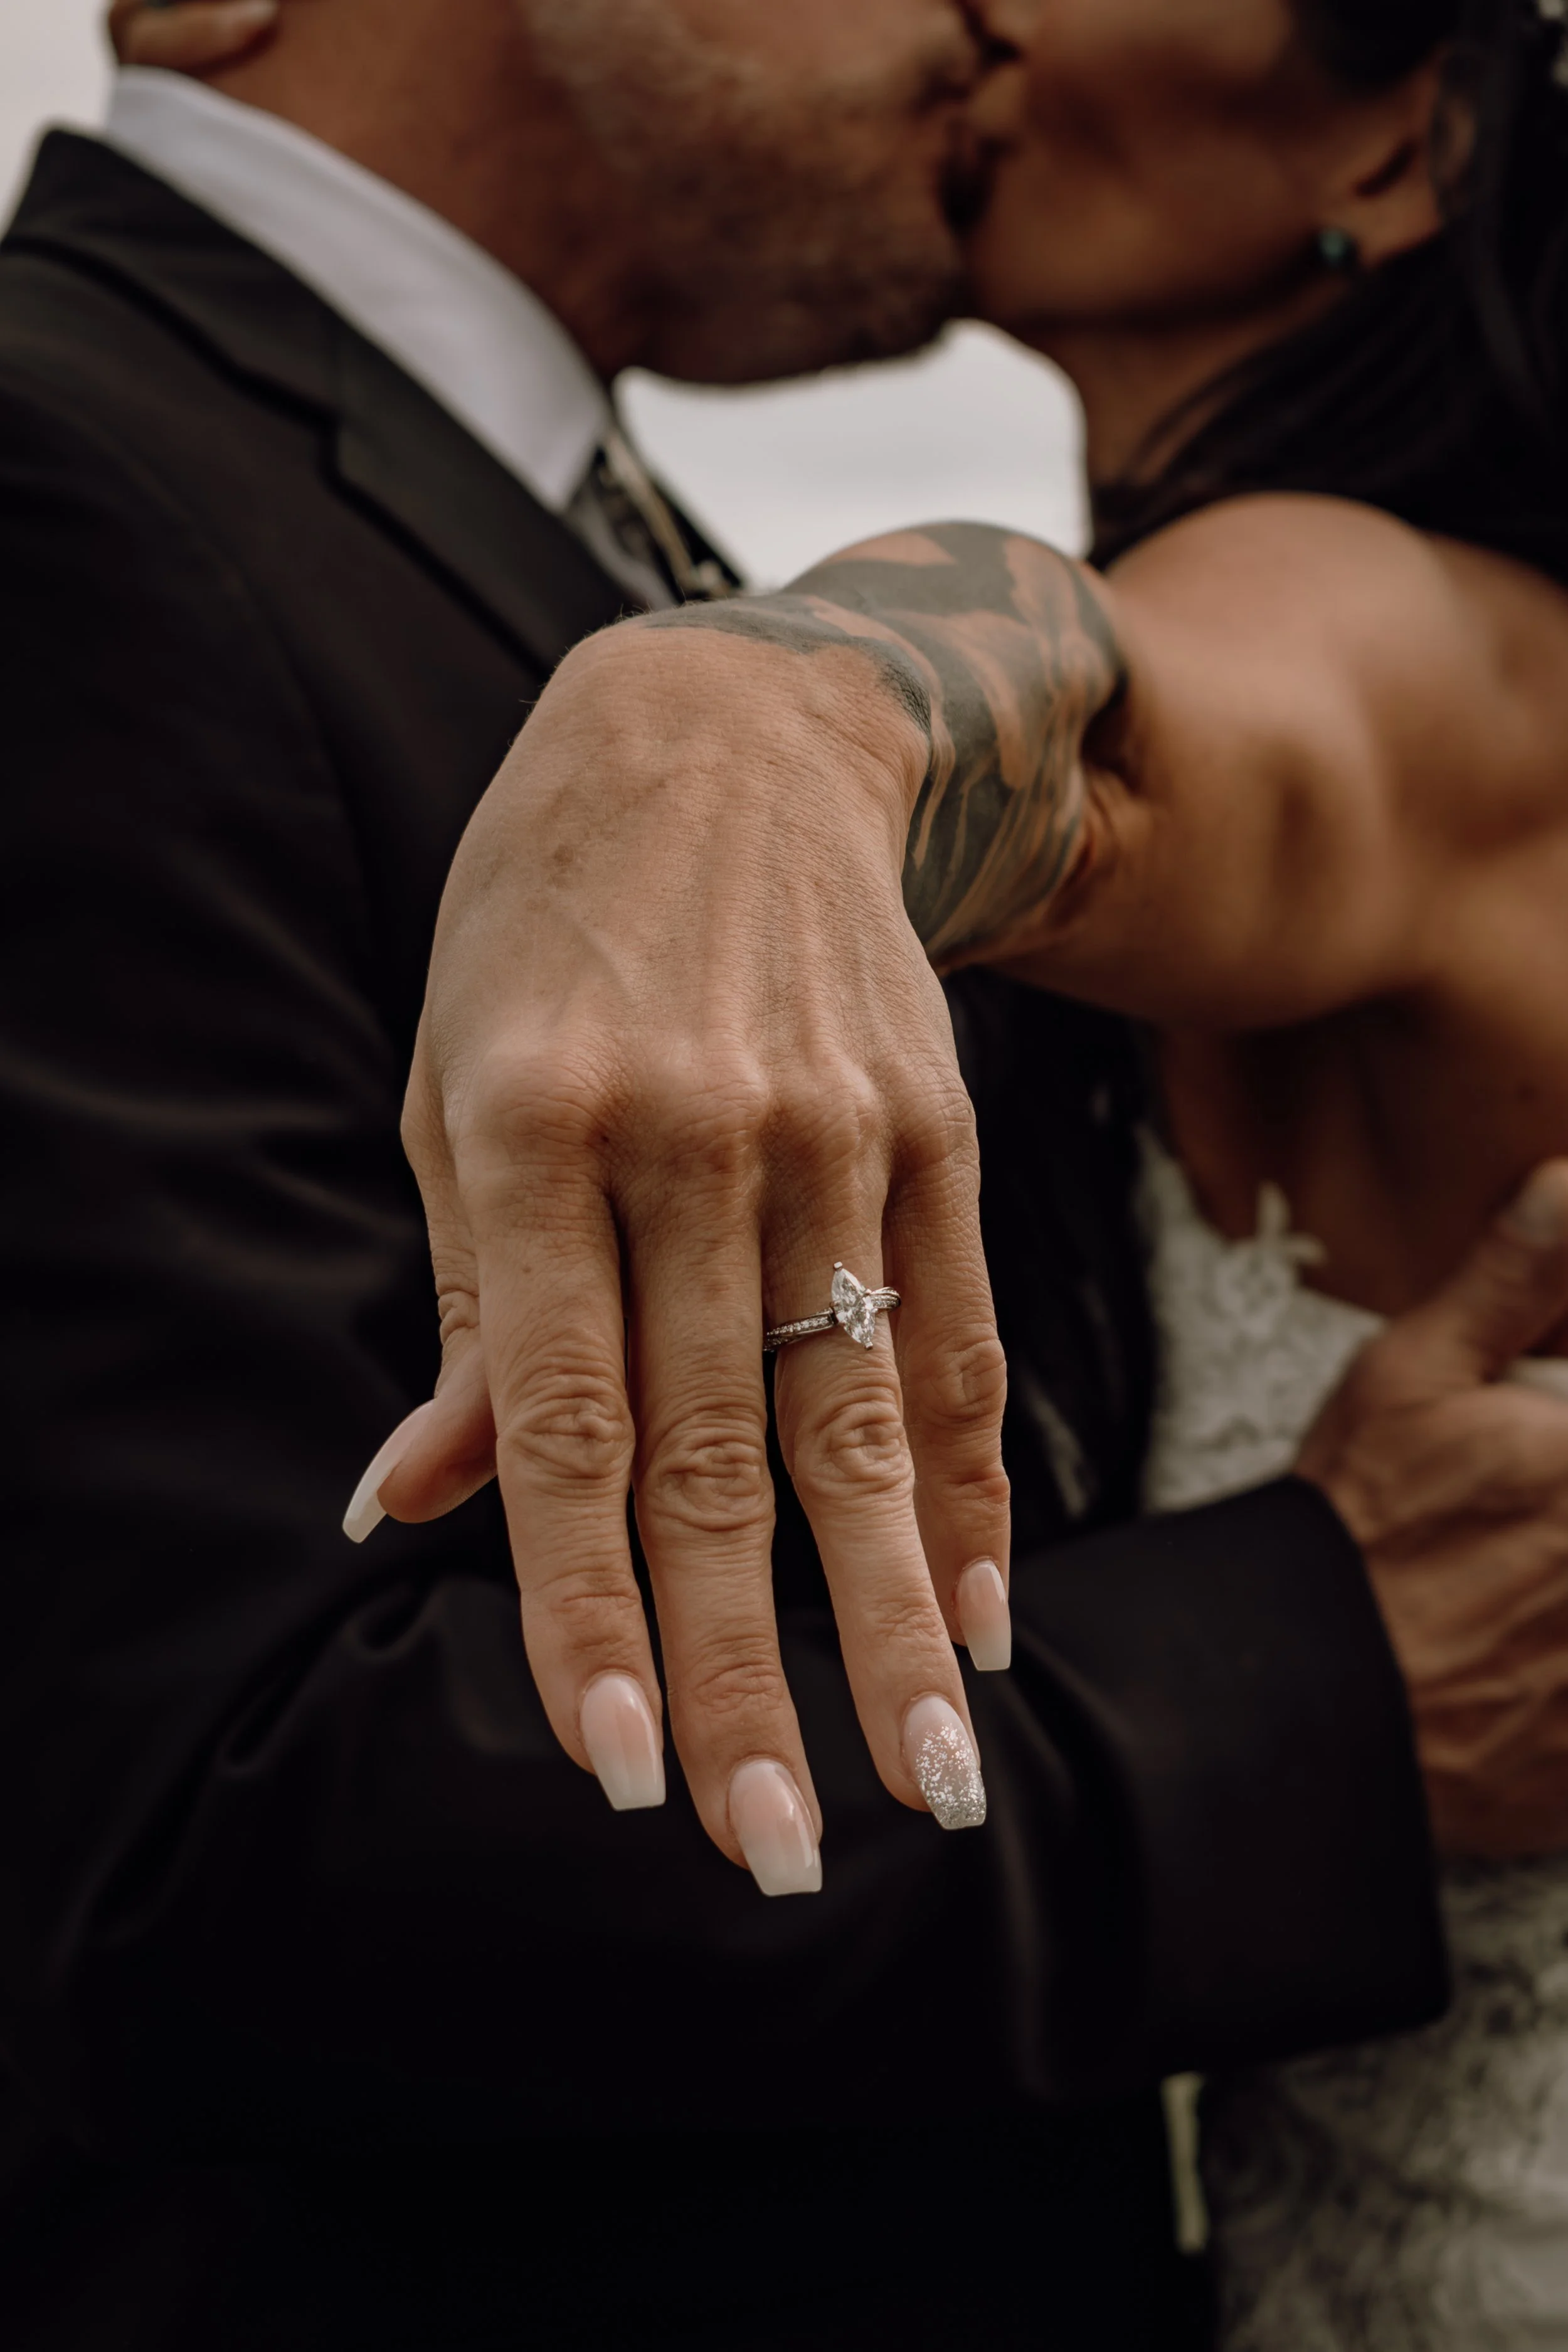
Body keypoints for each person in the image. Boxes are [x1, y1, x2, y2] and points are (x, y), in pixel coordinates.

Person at [0, 4, 1561, 2348]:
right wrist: (1318, 1681)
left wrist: (755, 704)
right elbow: (171, 1824)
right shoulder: (83, 473)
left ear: (1400, 124)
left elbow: (1087, 708)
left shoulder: (1397, 643)